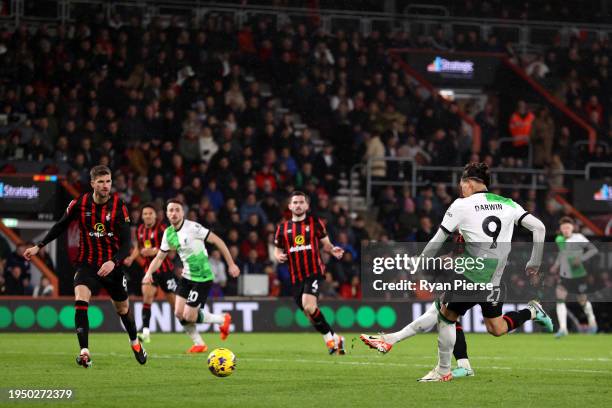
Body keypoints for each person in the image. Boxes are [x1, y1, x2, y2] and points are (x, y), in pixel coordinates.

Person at [360, 162, 553, 381]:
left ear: (469, 183)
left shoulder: (461, 206)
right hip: (495, 279)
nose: (460, 188)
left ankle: (442, 369)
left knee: (445, 315)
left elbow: (436, 240)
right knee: (495, 327)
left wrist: (421, 262)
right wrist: (534, 262)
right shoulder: (509, 204)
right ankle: (533, 311)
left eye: (461, 183)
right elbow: (539, 227)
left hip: (472, 276)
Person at [24, 165, 146, 368]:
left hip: (112, 266)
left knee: (123, 309)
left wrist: (113, 261)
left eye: (108, 181)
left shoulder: (119, 206)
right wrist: (39, 246)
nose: (106, 186)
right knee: (80, 301)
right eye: (101, 182)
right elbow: (60, 225)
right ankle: (84, 352)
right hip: (87, 264)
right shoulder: (79, 203)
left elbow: (127, 245)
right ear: (92, 184)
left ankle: (135, 343)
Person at [143, 199, 240, 353]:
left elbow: (218, 241)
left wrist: (231, 264)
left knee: (189, 315)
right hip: (187, 277)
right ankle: (199, 343)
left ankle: (222, 319)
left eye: (177, 210)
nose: (174, 213)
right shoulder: (168, 233)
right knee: (178, 313)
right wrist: (149, 273)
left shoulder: (193, 227)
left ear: (183, 212)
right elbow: (160, 257)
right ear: (167, 214)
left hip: (202, 277)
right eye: (171, 210)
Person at [273, 191, 346, 354]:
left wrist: (333, 250)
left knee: (309, 306)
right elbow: (277, 250)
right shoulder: (282, 228)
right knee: (309, 313)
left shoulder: (315, 223)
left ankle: (329, 340)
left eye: (301, 202)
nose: (298, 205)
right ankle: (336, 338)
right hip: (296, 276)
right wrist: (278, 256)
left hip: (313, 271)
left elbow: (326, 244)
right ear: (290, 206)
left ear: (307, 205)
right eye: (295, 202)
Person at [126, 203, 178, 344]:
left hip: (166, 271)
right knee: (147, 298)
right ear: (142, 216)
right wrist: (132, 257)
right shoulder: (140, 229)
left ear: (155, 215)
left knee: (176, 307)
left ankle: (194, 331)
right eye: (145, 214)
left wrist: (154, 251)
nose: (147, 216)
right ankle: (146, 333)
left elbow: (172, 247)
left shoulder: (163, 229)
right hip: (150, 271)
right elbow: (139, 247)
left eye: (150, 213)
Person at [551, 216, 599, 337]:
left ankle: (592, 322)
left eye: (568, 227)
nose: (566, 230)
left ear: (572, 228)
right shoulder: (559, 239)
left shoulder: (579, 238)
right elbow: (562, 254)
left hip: (579, 274)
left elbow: (593, 250)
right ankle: (563, 329)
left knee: (582, 300)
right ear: (560, 229)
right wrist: (556, 265)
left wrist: (581, 259)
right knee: (560, 298)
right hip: (565, 275)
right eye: (563, 228)